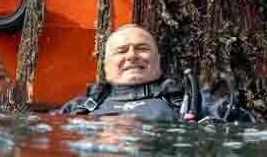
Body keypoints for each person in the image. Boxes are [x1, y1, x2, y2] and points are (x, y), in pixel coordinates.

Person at [56, 24, 251, 122]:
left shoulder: (195, 103)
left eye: (142, 48)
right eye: (121, 51)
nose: (132, 56)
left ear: (158, 60)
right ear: (105, 65)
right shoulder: (76, 109)